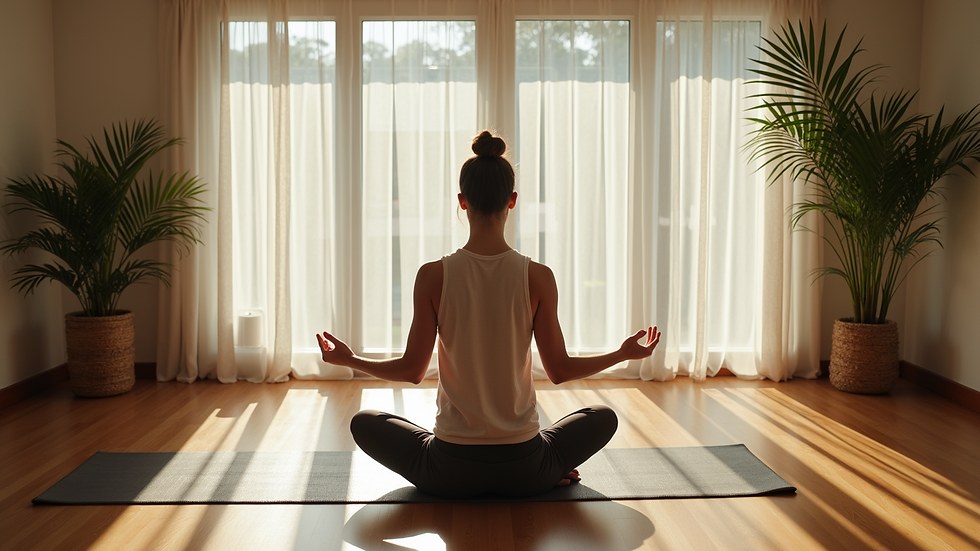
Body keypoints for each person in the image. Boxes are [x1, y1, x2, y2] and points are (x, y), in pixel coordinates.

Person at [316, 130, 660, 498]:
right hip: (525, 464)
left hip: (448, 470)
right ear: (512, 200)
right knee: (602, 417)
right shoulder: (538, 277)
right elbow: (559, 371)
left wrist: (350, 360)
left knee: (366, 421)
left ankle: (498, 474)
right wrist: (622, 354)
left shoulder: (432, 275)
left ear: (462, 201)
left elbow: (412, 371)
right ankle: (542, 471)